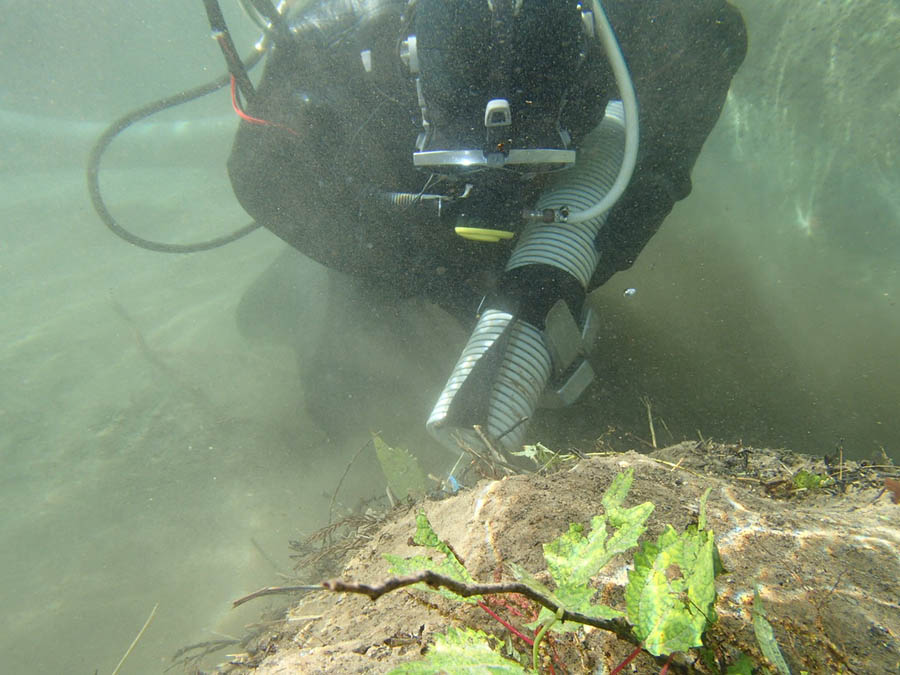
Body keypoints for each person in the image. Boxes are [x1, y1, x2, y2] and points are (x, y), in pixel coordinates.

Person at [227, 0, 747, 458]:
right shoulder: (333, 39)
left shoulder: (644, 18)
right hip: (393, 199)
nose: (502, 186)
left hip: (555, 176)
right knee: (349, 388)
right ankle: (310, 296)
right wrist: (427, 271)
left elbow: (715, 35)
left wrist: (592, 254)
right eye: (472, 157)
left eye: (530, 158)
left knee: (598, 390)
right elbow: (261, 176)